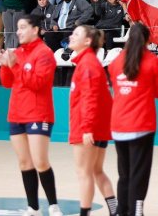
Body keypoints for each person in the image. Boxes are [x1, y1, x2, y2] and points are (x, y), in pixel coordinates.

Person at [0, 14, 60, 216]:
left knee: (40, 161)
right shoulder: (18, 52)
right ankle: (33, 207)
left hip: (38, 113)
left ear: (35, 30)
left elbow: (38, 83)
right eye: (18, 28)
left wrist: (14, 65)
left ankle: (53, 205)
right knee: (25, 162)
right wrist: (5, 64)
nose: (18, 31)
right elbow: (7, 83)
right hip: (16, 113)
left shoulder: (44, 53)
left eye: (23, 27)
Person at [108, 23, 158, 216]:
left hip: (118, 125)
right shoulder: (152, 61)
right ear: (148, 40)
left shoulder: (115, 62)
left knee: (124, 174)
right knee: (138, 174)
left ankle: (122, 211)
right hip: (141, 125)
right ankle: (136, 211)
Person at [67, 25, 117, 216]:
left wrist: (87, 129)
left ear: (87, 42)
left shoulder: (87, 64)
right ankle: (115, 210)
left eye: (76, 34)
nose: (71, 36)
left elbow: (90, 98)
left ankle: (84, 212)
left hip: (87, 128)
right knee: (96, 171)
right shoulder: (88, 63)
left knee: (84, 173)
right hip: (95, 127)